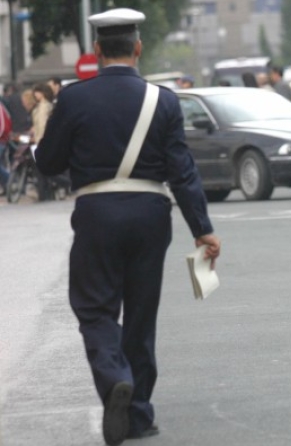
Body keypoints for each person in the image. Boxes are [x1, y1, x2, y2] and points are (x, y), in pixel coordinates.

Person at [34, 8, 221, 445]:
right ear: (138, 48)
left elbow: (49, 163)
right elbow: (183, 172)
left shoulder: (75, 98)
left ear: (97, 50)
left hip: (97, 214)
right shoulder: (164, 100)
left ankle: (115, 376)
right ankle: (137, 415)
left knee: (95, 309)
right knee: (140, 315)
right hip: (150, 214)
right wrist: (203, 228)